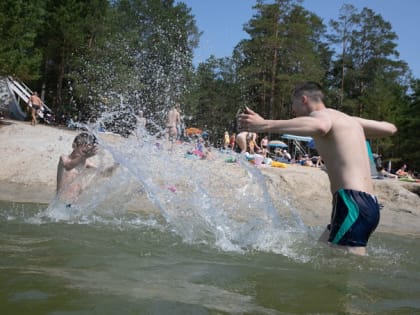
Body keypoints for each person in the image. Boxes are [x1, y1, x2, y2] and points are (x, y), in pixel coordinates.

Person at [239, 81, 397, 255]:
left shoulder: (321, 117)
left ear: (304, 99)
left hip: (352, 203)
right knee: (323, 253)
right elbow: (390, 128)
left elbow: (320, 126)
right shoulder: (347, 120)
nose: (294, 111)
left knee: (347, 269)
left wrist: (265, 125)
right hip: (367, 204)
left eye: (293, 104)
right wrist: (352, 125)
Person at [56, 132, 117, 205]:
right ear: (74, 146)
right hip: (60, 203)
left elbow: (104, 174)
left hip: (74, 204)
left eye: (87, 152)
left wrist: (116, 165)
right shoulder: (64, 158)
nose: (84, 154)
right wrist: (85, 156)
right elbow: (68, 167)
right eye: (84, 152)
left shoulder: (86, 162)